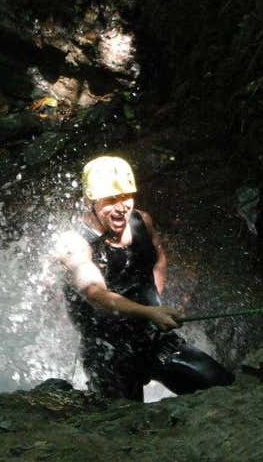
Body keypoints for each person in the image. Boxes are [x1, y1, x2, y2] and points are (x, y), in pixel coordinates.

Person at [55, 156, 234, 401]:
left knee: (223, 387)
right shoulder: (74, 243)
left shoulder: (141, 221)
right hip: (107, 354)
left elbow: (158, 257)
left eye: (126, 196)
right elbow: (96, 294)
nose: (121, 207)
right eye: (111, 200)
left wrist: (155, 303)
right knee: (127, 426)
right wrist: (150, 312)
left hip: (152, 338)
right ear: (90, 200)